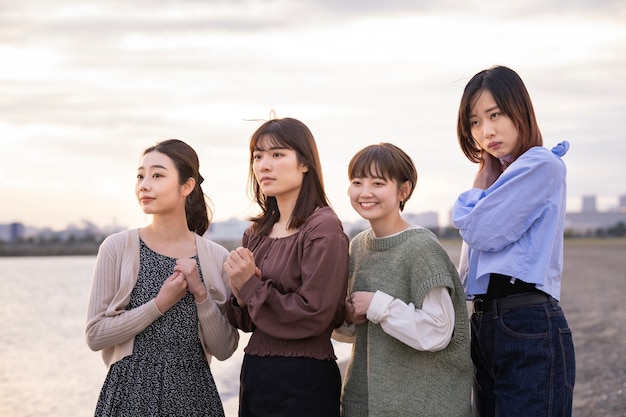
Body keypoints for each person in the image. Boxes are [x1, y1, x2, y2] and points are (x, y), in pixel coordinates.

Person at [452, 65, 576, 417]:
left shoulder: (541, 163)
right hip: (488, 324)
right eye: (474, 122)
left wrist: (479, 180)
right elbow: (467, 274)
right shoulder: (504, 179)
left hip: (527, 322)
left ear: (519, 109)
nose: (485, 131)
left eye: (495, 114)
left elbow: (480, 233)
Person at [85, 139, 239, 417]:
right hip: (128, 395)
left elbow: (225, 348)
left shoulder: (216, 257)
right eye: (140, 176)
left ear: (187, 186)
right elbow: (95, 335)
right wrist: (158, 304)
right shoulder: (117, 247)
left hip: (195, 397)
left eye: (157, 175)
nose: (144, 184)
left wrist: (201, 295)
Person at [333, 143, 472, 417]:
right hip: (367, 401)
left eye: (377, 182)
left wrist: (376, 305)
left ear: (404, 190)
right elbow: (352, 332)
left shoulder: (421, 248)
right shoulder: (358, 245)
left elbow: (438, 331)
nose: (365, 192)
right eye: (357, 182)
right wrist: (347, 316)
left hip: (421, 405)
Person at [223, 117, 349, 417]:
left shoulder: (323, 228)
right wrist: (240, 294)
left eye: (277, 155)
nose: (264, 165)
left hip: (304, 377)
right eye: (258, 156)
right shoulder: (255, 233)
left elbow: (315, 314)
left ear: (304, 163)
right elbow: (247, 322)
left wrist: (250, 286)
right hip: (256, 372)